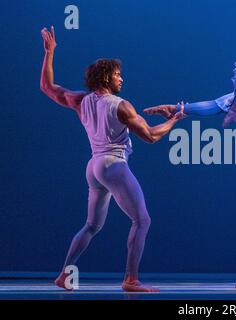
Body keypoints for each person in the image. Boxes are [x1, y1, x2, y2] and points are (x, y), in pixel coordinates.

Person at [40, 26, 185, 292]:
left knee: (92, 225)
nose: (122, 79)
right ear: (106, 78)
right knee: (142, 220)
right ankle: (131, 279)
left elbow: (47, 87)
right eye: (118, 75)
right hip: (114, 165)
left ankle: (64, 273)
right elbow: (151, 136)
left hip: (94, 167)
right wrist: (174, 120)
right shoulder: (121, 105)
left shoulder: (81, 101)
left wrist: (49, 53)